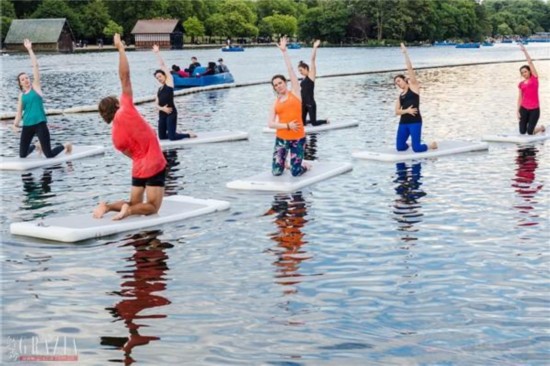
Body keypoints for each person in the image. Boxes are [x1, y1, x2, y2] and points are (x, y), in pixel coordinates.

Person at [94, 34, 167, 221]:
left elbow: (131, 155)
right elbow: (125, 77)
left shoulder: (115, 138)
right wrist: (121, 49)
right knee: (152, 207)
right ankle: (129, 211)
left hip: (138, 167)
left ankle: (108, 206)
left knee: (134, 201)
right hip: (154, 162)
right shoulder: (126, 108)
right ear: (117, 105)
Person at [13, 39, 72, 158]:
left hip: (40, 124)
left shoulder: (36, 87)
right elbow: (19, 113)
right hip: (27, 125)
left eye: (27, 78)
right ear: (20, 84)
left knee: (49, 154)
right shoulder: (21, 96)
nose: (26, 80)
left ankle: (66, 145)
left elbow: (35, 66)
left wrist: (29, 49)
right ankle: (36, 146)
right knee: (22, 155)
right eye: (23, 79)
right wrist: (15, 125)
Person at [268, 36, 309, 177]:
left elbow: (291, 70)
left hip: (298, 137)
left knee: (295, 172)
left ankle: (303, 165)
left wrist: (284, 52)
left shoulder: (295, 94)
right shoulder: (275, 103)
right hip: (282, 138)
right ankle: (283, 163)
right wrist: (287, 126)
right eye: (276, 85)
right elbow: (270, 124)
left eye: (280, 83)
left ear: (285, 82)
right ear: (274, 88)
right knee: (276, 172)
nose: (278, 86)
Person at [394, 43, 437, 153]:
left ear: (405, 80)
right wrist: (407, 110)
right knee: (400, 147)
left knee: (417, 149)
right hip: (403, 122)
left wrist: (405, 53)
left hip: (415, 122)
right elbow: (397, 111)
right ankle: (411, 142)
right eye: (395, 83)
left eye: (398, 81)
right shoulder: (400, 96)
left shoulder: (413, 87)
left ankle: (430, 145)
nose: (397, 84)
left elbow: (410, 69)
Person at [152, 45, 196, 141]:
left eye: (160, 76)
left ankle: (187, 135)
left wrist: (157, 53)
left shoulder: (169, 82)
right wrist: (162, 108)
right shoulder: (159, 89)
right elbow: (155, 104)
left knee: (172, 138)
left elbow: (162, 65)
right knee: (162, 137)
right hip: (162, 113)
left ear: (164, 76)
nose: (159, 79)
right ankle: (174, 133)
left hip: (171, 113)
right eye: (157, 78)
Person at [297, 40, 328, 126]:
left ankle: (325, 121)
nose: (300, 72)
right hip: (303, 103)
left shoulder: (311, 76)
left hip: (310, 103)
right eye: (299, 71)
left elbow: (312, 60)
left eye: (301, 70)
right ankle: (309, 120)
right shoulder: (303, 78)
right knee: (302, 123)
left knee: (314, 123)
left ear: (306, 69)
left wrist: (314, 47)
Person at [517, 44, 545, 135]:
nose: (524, 73)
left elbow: (530, 62)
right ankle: (529, 126)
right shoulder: (521, 84)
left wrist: (525, 51)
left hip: (534, 110)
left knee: (529, 132)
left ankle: (541, 128)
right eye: (522, 73)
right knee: (522, 131)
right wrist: (517, 111)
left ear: (529, 71)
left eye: (525, 71)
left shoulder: (534, 79)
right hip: (524, 109)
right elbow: (520, 98)